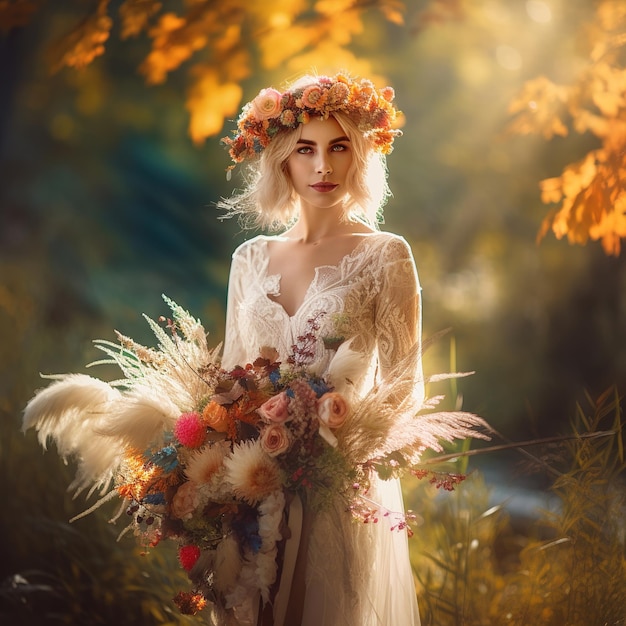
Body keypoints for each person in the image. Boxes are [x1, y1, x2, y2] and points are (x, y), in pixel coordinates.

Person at [218, 73, 423, 626]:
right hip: (253, 485)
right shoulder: (249, 259)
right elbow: (228, 378)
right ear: (283, 159)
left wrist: (337, 438)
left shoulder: (387, 255)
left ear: (358, 156)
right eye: (306, 150)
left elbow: (406, 384)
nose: (323, 167)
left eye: (339, 147)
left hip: (338, 489)